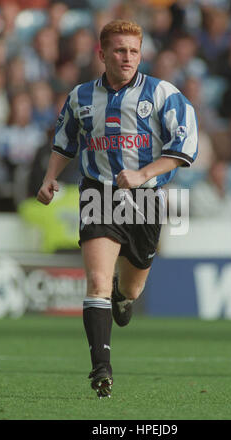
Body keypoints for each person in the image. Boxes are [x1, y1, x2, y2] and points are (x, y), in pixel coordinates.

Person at [36, 19, 198, 399]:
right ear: (102, 53)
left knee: (131, 287)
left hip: (145, 200)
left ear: (141, 54)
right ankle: (101, 369)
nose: (127, 58)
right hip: (99, 195)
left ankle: (122, 296)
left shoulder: (163, 94)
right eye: (120, 50)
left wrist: (143, 173)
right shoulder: (79, 97)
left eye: (134, 51)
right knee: (95, 282)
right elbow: (64, 141)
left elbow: (185, 147)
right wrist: (49, 177)